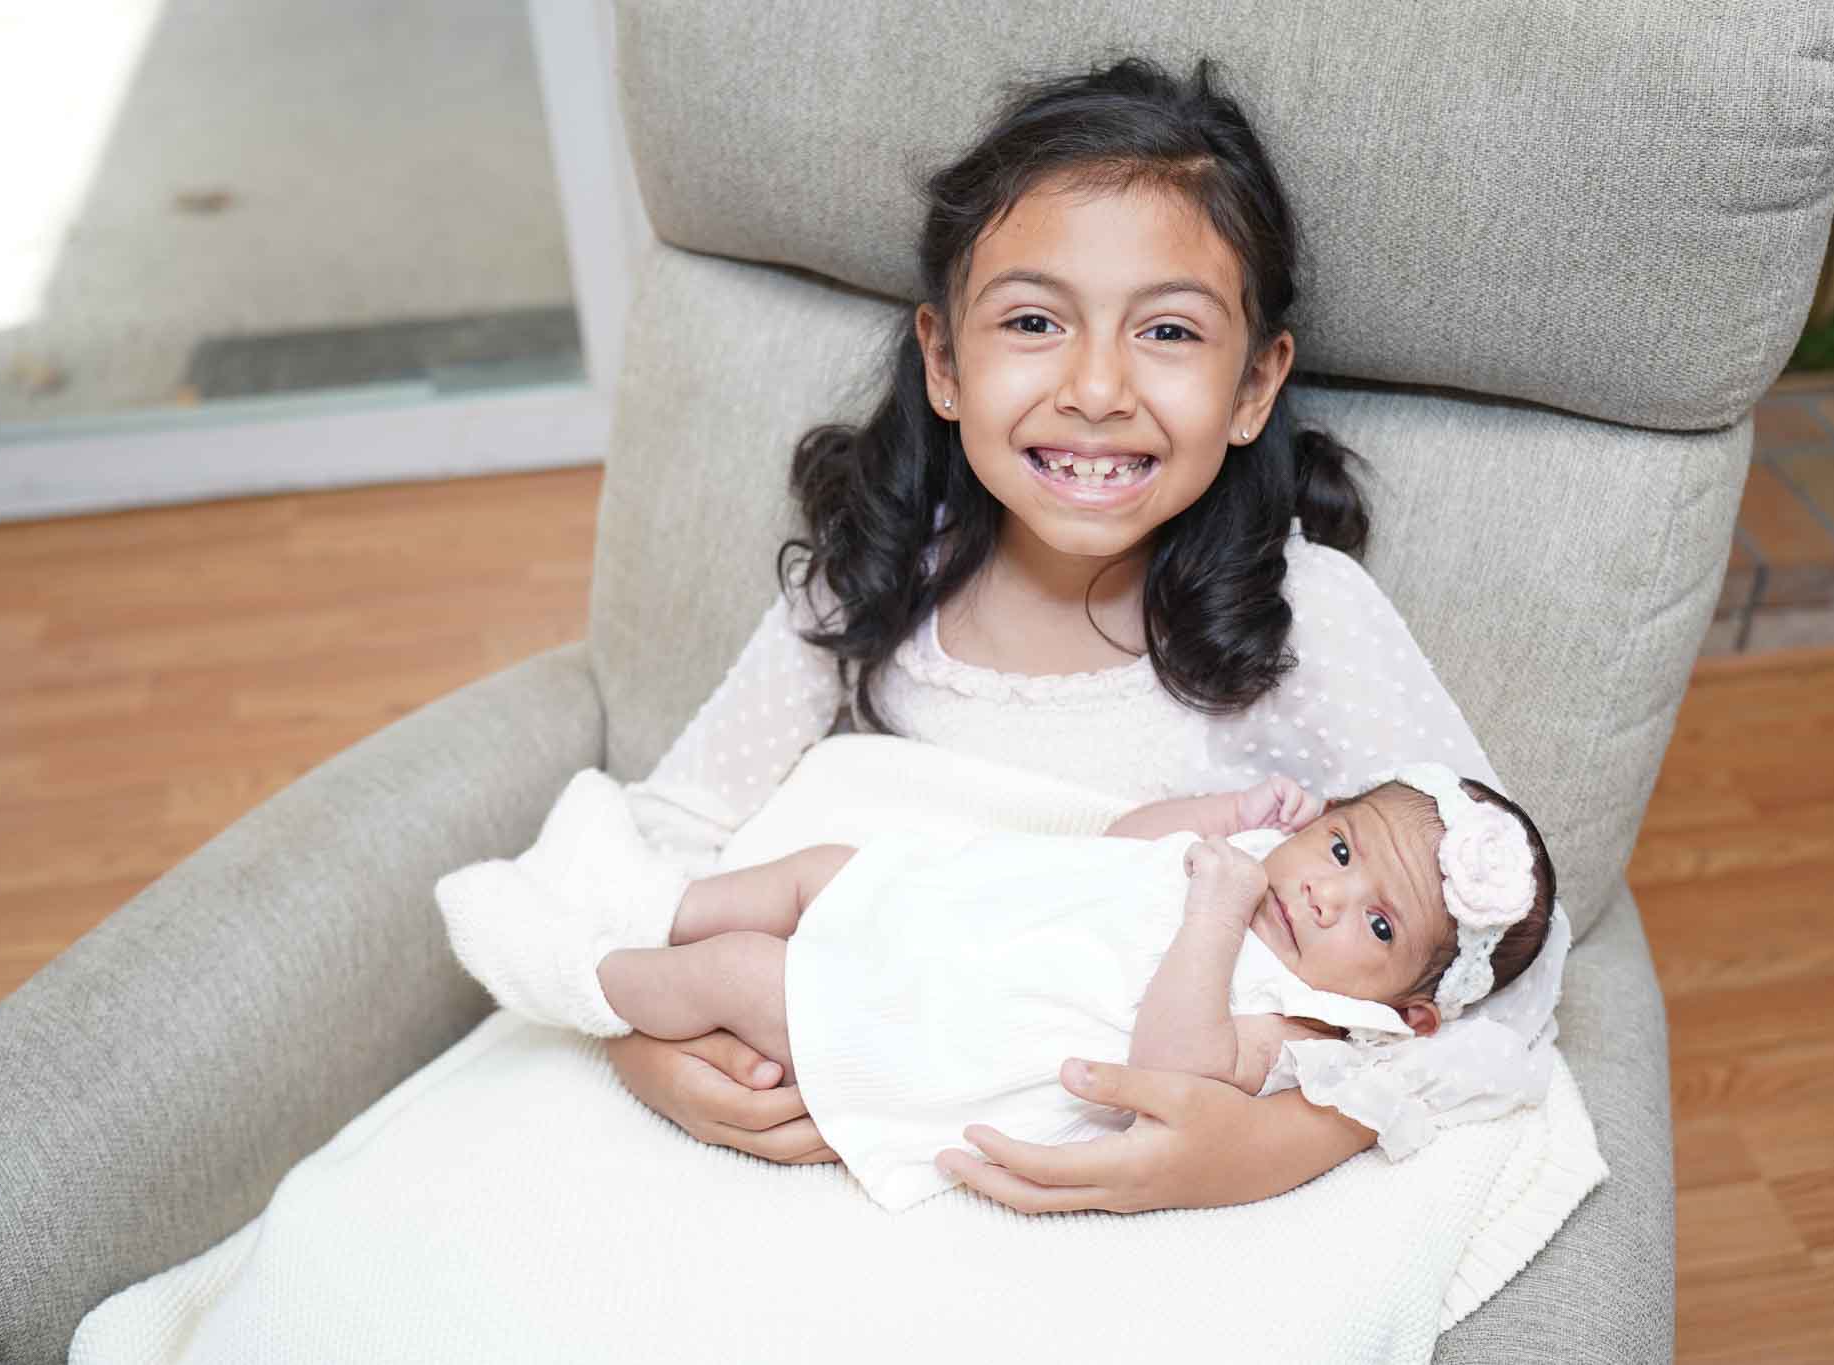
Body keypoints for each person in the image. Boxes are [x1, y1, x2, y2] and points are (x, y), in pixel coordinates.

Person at [597, 54, 1534, 1214]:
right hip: (837, 1072)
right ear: (942, 360)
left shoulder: (1308, 617)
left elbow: (1493, 968)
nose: (1096, 388)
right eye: (1034, 320)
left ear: (1253, 387)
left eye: (1170, 334)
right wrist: (646, 1051)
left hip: (1080, 1137)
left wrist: (1273, 1146)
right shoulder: (877, 580)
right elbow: (670, 830)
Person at [521, 764, 1558, 1212]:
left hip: (959, 1028)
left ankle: (586, 978)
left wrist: (1213, 917)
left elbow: (1166, 1074)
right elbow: (1120, 848)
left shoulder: (1305, 1022)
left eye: (1378, 924)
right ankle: (654, 904)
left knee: (749, 976)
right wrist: (1227, 810)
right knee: (823, 869)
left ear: (1408, 1013)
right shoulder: (1253, 857)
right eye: (1336, 847)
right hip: (963, 928)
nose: (1327, 897)